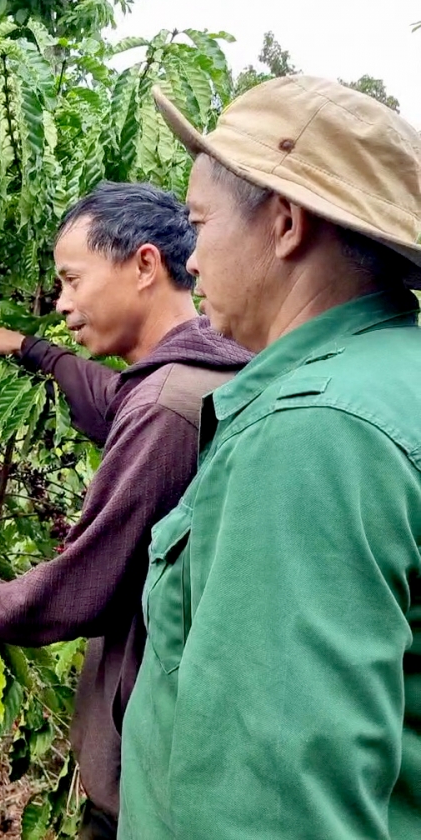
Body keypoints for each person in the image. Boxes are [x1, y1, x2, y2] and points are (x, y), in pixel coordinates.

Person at [118, 77, 421, 839]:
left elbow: (278, 805)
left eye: (200, 223)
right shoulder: (393, 378)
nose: (191, 262)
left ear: (284, 223)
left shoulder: (312, 432)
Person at [0, 182, 250, 839]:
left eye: (72, 280)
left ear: (142, 265)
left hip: (162, 780)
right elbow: (114, 399)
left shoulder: (167, 407)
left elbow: (86, 587)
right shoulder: (206, 373)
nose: (63, 303)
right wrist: (35, 350)